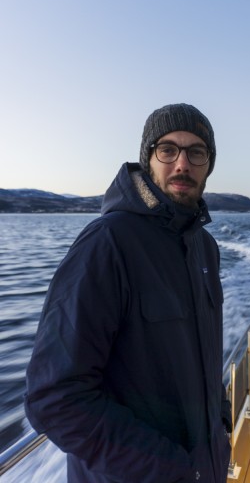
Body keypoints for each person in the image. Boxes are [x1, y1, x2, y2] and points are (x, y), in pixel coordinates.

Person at [24, 103, 232, 483]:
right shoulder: (107, 244)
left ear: (209, 164)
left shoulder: (205, 248)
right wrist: (173, 470)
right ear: (147, 159)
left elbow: (201, 351)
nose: (182, 164)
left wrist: (221, 421)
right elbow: (54, 398)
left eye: (196, 152)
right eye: (167, 150)